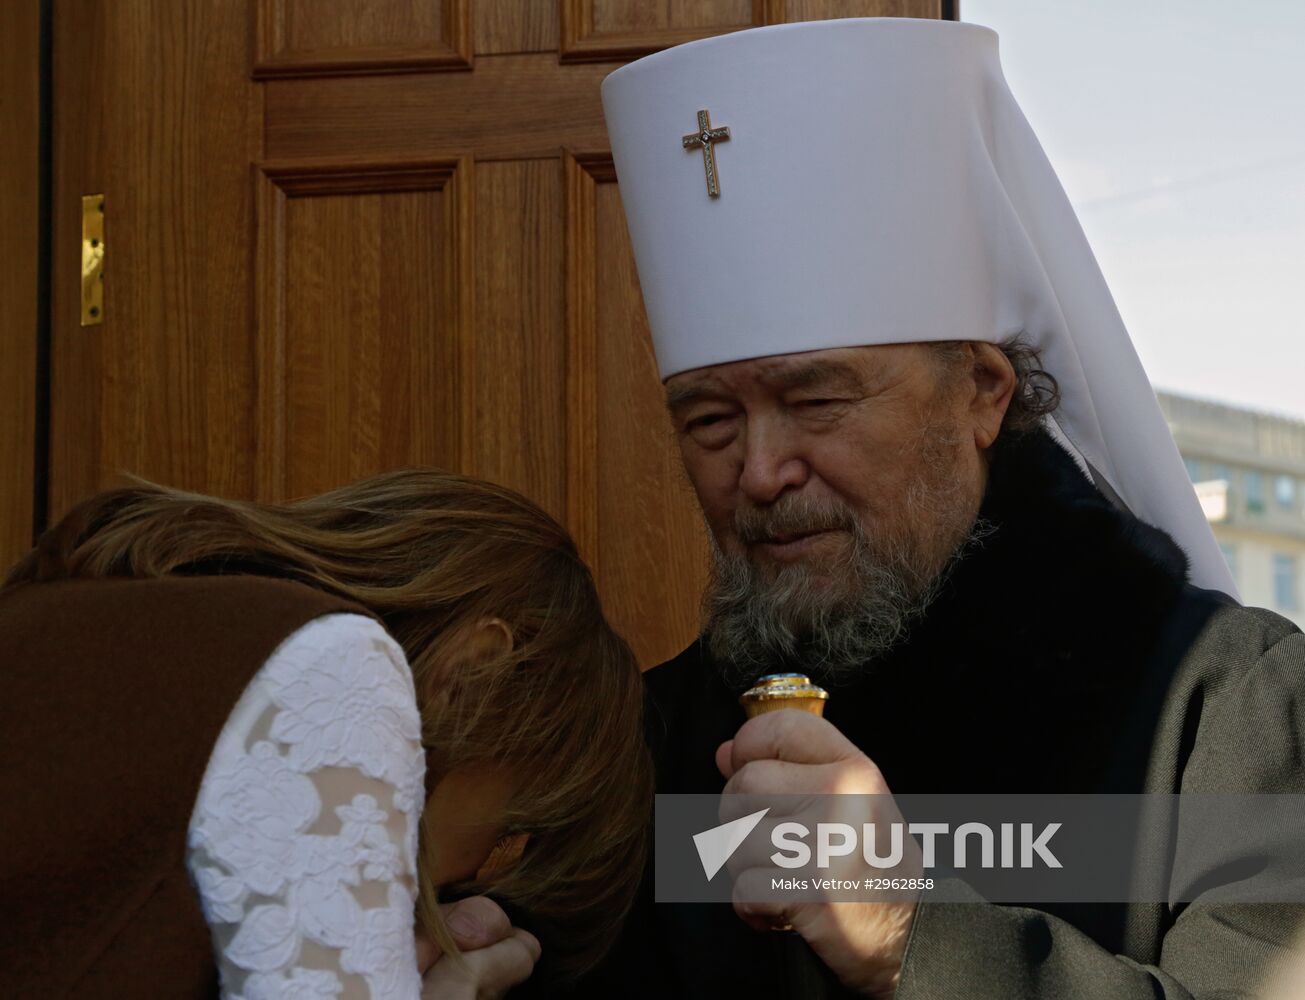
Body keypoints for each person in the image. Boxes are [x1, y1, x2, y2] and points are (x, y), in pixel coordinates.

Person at [576, 16, 1305, 999]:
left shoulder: (1224, 711)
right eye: (709, 420)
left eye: (816, 402)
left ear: (982, 391)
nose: (758, 471)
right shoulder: (644, 743)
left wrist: (911, 929)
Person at [0, 469, 652, 998]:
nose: (477, 871)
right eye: (509, 828)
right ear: (470, 679)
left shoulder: (65, 609)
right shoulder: (336, 666)